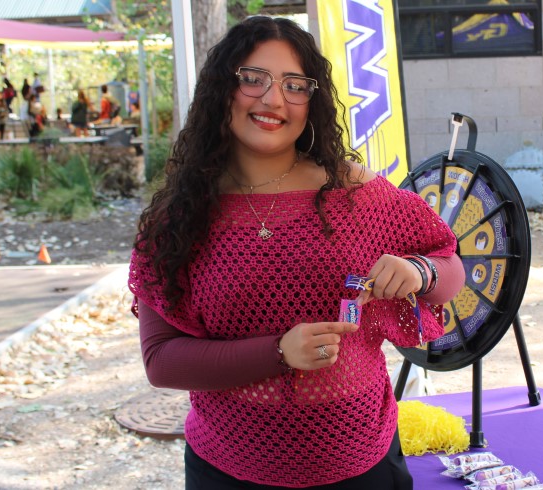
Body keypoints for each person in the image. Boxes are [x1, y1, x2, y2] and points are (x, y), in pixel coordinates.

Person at [128, 15, 464, 489]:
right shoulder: (179, 216)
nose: (273, 99)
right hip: (229, 471)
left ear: (312, 101)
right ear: (222, 89)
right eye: (253, 79)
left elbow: (449, 268)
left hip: (363, 464)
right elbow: (161, 360)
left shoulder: (356, 192)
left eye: (294, 85)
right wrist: (278, 353)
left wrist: (419, 271)